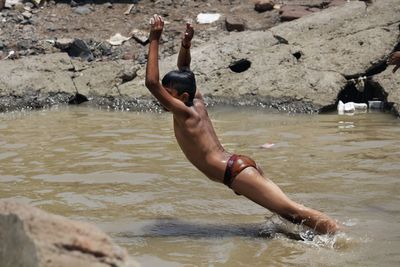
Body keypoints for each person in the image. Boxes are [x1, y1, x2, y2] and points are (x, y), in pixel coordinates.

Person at [145, 14, 340, 235]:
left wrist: (154, 38)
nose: (163, 99)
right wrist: (185, 44)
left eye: (169, 94)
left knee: (291, 210)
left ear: (183, 96)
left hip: (235, 173)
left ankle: (341, 236)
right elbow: (185, 69)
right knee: (286, 214)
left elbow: (151, 83)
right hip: (236, 168)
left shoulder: (184, 113)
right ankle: (323, 236)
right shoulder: (194, 101)